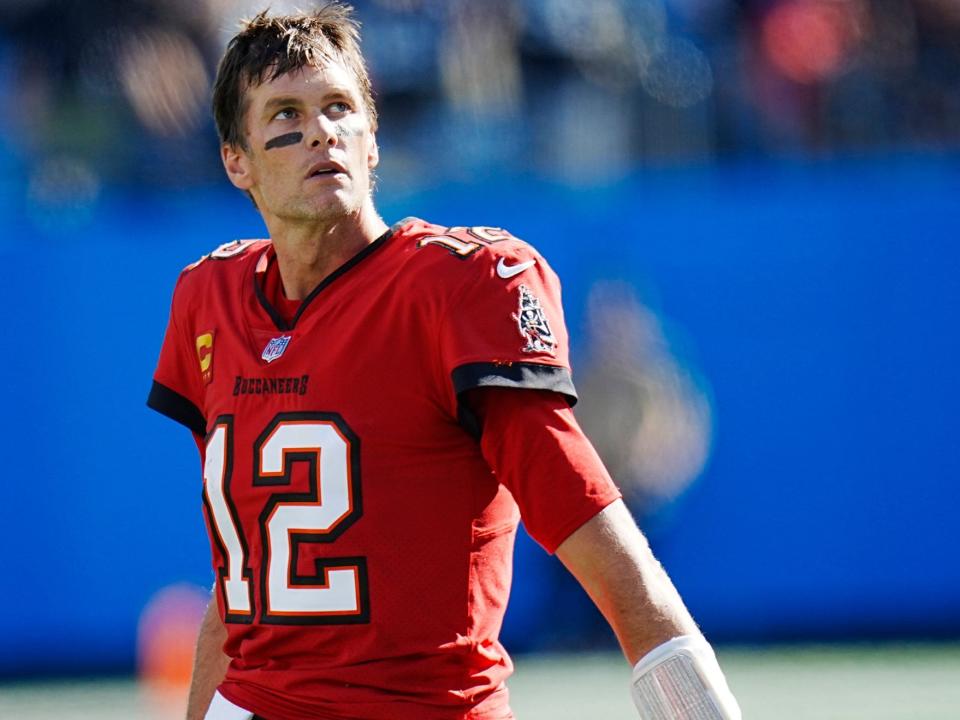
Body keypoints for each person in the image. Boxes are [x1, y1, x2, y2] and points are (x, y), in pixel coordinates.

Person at [147, 5, 742, 720]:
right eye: (284, 114)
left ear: (372, 141)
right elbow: (241, 575)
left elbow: (579, 507)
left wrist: (691, 696)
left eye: (340, 107)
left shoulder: (455, 285)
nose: (319, 131)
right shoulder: (209, 297)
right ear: (234, 159)